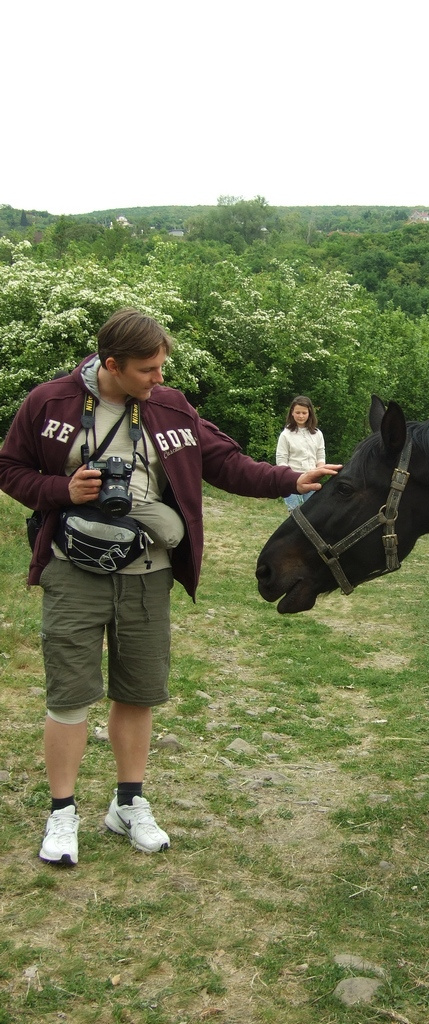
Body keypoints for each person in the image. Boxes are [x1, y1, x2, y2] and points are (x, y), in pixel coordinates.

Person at [0, 308, 340, 867]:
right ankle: (63, 813)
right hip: (72, 572)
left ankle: (127, 803)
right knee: (68, 698)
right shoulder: (49, 403)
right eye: (147, 369)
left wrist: (290, 478)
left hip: (147, 575)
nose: (159, 378)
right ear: (111, 364)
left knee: (138, 692)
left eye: (163, 366)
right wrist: (63, 489)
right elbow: (10, 469)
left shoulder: (171, 406)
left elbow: (224, 462)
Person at [275, 396, 326, 511]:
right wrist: (287, 478)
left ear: (309, 413)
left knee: (313, 511)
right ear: (292, 413)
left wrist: (319, 471)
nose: (301, 416)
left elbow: (320, 455)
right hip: (292, 481)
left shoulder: (317, 434)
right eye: (298, 412)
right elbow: (281, 460)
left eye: (304, 413)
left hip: (311, 479)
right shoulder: (286, 435)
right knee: (295, 513)